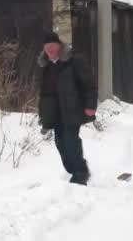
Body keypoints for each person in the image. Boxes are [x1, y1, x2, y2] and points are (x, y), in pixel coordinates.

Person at [38, 32, 97, 186]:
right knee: (60, 143)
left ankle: (80, 173)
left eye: (52, 46)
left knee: (71, 141)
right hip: (55, 113)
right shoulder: (46, 66)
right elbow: (44, 93)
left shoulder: (73, 61)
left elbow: (89, 84)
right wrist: (43, 115)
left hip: (72, 109)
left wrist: (90, 105)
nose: (50, 50)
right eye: (47, 48)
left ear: (59, 46)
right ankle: (73, 170)